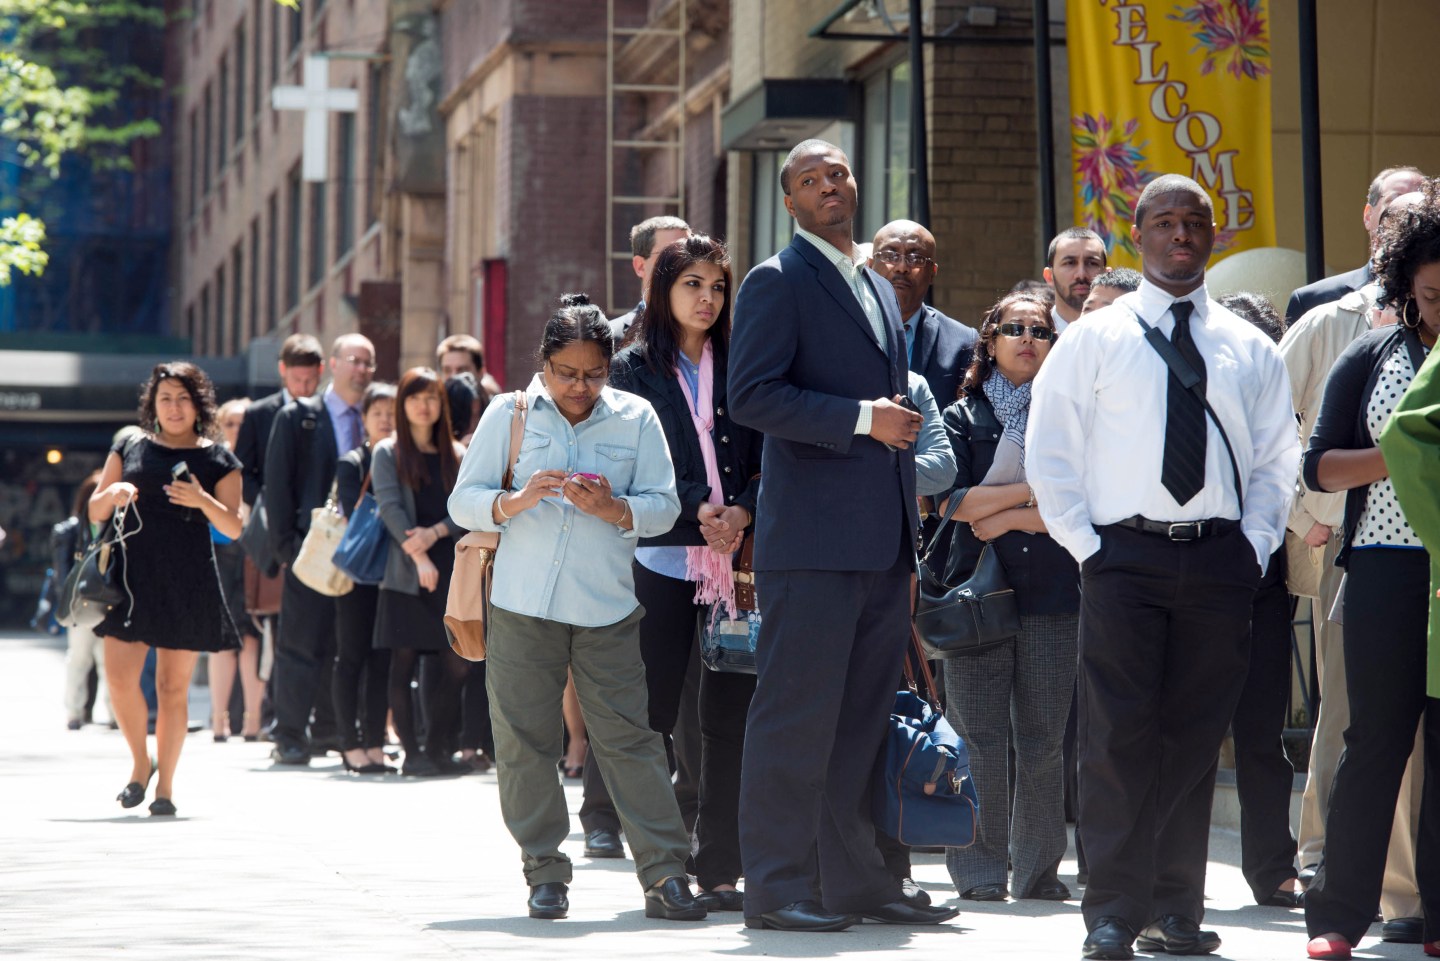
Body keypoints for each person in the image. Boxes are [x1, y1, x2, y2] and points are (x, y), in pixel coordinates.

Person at [1027, 173, 1299, 960]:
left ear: (1213, 235)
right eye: (1165, 222)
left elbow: (1280, 458)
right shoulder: (1093, 338)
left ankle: (1175, 907)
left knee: (1192, 736)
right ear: (1137, 234)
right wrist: (1090, 546)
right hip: (1123, 558)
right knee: (1115, 739)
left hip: (1219, 560)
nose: (1182, 235)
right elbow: (1052, 451)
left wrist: (1252, 545)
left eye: (1196, 222)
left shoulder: (1248, 345)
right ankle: (1112, 910)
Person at [727, 138, 957, 932]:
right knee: (796, 719)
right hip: (814, 547)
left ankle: (856, 880)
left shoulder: (872, 280)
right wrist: (863, 420)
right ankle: (776, 886)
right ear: (788, 200)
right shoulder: (775, 280)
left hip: (884, 547)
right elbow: (752, 396)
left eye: (838, 174)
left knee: (860, 722)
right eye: (809, 179)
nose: (828, 186)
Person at [449, 293, 704, 922]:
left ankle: (667, 874)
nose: (580, 387)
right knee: (523, 743)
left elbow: (665, 507)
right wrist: (511, 503)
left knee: (632, 741)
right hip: (520, 604)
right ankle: (544, 872)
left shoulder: (635, 417)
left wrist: (614, 509)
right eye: (567, 373)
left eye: (594, 373)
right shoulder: (507, 414)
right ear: (543, 363)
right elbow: (464, 501)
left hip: (608, 609)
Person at [1281, 191, 1429, 940]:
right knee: (1375, 740)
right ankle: (1339, 913)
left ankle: (1432, 909)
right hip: (1386, 569)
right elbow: (1319, 469)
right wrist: (1404, 455)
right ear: (1406, 284)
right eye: (1432, 292)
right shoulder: (1368, 353)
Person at [607, 234, 765, 911]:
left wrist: (745, 512)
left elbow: (767, 456)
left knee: (729, 717)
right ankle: (661, 863)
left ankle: (721, 866)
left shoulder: (744, 362)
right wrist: (696, 507)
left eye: (717, 286)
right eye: (692, 284)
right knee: (654, 715)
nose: (706, 298)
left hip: (737, 567)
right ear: (663, 291)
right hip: (662, 557)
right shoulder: (632, 369)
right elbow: (625, 464)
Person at [937, 290, 1076, 904]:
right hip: (974, 596)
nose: (1027, 338)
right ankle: (979, 871)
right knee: (979, 738)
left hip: (1053, 593)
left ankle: (1039, 871)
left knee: (1044, 739)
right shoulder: (960, 419)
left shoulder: (1070, 418)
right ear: (989, 342)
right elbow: (952, 503)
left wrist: (1010, 515)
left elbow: (1076, 506)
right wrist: (1031, 497)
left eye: (1040, 330)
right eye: (1013, 328)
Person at [91, 361, 245, 816]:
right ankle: (142, 762)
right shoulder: (130, 446)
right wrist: (115, 489)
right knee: (119, 680)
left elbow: (234, 528)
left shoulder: (219, 459)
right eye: (165, 398)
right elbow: (97, 510)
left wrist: (202, 499)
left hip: (188, 579)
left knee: (172, 688)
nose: (174, 407)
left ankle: (166, 789)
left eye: (182, 398)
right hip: (131, 580)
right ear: (152, 406)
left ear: (198, 405)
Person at [1217, 292, 1302, 909]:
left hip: (1262, 591)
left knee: (1261, 738)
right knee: (1176, 738)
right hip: (1187, 582)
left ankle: (1273, 870)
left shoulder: (1283, 415)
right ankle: (1167, 877)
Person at [264, 333, 376, 765]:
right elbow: (278, 486)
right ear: (333, 364)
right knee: (300, 643)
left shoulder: (376, 417)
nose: (362, 369)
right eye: (355, 360)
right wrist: (286, 550)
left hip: (362, 552)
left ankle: (331, 729)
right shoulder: (299, 417)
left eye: (369, 363)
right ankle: (289, 734)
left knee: (344, 644)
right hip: (309, 550)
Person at [371, 368, 474, 778]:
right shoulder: (387, 452)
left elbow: (467, 509)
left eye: (431, 397)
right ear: (402, 404)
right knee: (403, 663)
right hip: (405, 572)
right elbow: (390, 508)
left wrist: (434, 533)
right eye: (414, 397)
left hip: (451, 571)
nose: (423, 405)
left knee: (457, 663)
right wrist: (420, 558)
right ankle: (413, 753)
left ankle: (437, 747)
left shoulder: (457, 454)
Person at [332, 382, 396, 775]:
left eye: (392, 413)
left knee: (382, 659)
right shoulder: (353, 461)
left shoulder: (406, 458)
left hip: (392, 574)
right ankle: (348, 742)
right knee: (351, 656)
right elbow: (358, 511)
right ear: (365, 420)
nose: (386, 421)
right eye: (378, 414)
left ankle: (374, 742)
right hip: (358, 572)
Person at [1286, 166, 1425, 324]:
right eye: (1394, 200)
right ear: (1368, 216)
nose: (1408, 213)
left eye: (1420, 204)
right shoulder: (1313, 301)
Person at [868, 219, 978, 405]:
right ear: (869, 266)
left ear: (933, 273)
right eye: (890, 255)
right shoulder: (842, 328)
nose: (902, 267)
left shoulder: (963, 342)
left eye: (916, 259)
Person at [208, 397, 265, 742]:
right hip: (219, 553)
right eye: (230, 423)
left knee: (252, 637)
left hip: (253, 553)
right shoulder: (212, 460)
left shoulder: (258, 459)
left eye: (243, 423)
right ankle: (219, 720)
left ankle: (253, 720)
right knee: (222, 640)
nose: (236, 430)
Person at [235, 333, 325, 511]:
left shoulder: (329, 413)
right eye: (297, 379)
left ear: (320, 370)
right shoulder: (257, 414)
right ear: (282, 369)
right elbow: (241, 473)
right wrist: (267, 502)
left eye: (310, 380)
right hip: (271, 517)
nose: (303, 387)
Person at [57, 471, 106, 730]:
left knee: (107, 662)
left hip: (108, 603)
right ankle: (74, 712)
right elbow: (62, 571)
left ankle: (113, 714)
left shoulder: (116, 527)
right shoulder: (71, 530)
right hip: (80, 604)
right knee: (79, 658)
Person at [609, 215, 691, 342]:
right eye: (668, 256)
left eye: (689, 255)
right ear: (640, 266)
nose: (682, 264)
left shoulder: (715, 337)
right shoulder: (611, 337)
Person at [1044, 227, 1108, 332]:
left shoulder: (1123, 335)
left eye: (1092, 263)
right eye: (1070, 263)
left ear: (1106, 275)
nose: (1081, 275)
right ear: (1049, 276)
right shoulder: (1035, 338)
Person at [437, 332, 501, 400]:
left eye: (462, 370)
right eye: (447, 370)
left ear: (480, 373)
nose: (454, 377)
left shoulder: (496, 408)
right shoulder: (434, 408)